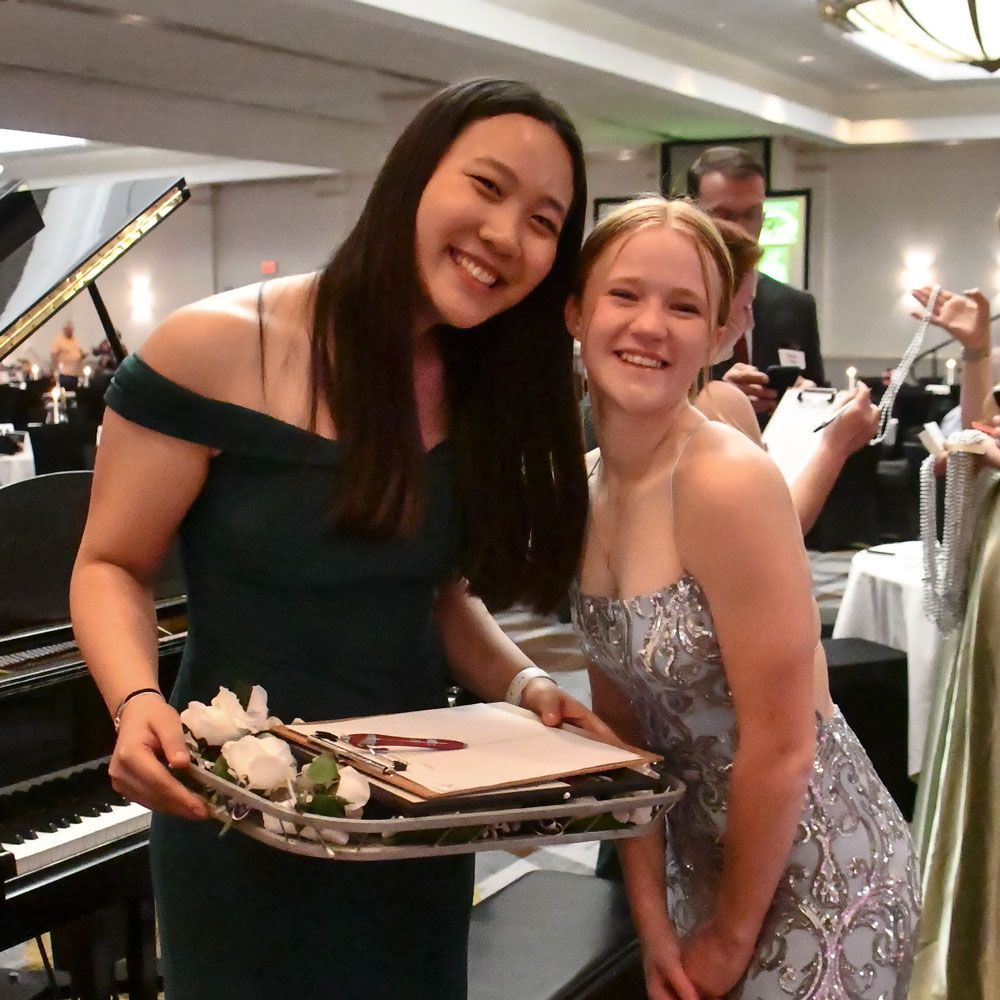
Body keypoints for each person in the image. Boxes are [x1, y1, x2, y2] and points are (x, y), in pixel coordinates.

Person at [70, 78, 610, 1000]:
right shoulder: (208, 348)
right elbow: (111, 564)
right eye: (485, 186)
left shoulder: (483, 382)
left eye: (543, 220)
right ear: (413, 176)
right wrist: (132, 701)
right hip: (240, 812)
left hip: (413, 819)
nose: (506, 234)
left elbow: (438, 594)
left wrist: (524, 685)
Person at [567, 197, 919, 1000]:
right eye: (625, 295)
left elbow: (784, 746)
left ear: (719, 336)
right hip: (705, 869)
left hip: (824, 872)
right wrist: (653, 922)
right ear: (576, 313)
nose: (650, 325)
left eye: (683, 305)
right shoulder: (583, 492)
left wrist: (728, 936)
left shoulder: (724, 479)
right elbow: (623, 741)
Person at [698, 219, 879, 532]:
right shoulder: (716, 400)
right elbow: (774, 533)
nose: (751, 322)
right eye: (746, 306)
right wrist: (835, 446)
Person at [688, 146, 825, 415]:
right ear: (693, 215)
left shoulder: (796, 305)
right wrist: (719, 399)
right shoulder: (673, 301)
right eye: (724, 215)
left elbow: (818, 395)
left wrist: (808, 399)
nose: (740, 229)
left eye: (750, 214)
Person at [49, 319, 85, 387]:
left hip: (75, 373)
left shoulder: (75, 340)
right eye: (67, 329)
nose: (69, 331)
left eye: (71, 329)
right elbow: (53, 354)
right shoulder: (58, 340)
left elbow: (79, 352)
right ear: (64, 330)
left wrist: (82, 355)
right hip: (64, 374)